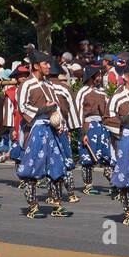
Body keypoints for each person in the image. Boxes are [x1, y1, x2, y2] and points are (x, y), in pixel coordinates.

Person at [17, 53, 72, 219]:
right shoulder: (27, 84)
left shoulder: (49, 84)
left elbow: (56, 108)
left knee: (56, 166)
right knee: (34, 167)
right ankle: (33, 206)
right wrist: (42, 110)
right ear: (35, 66)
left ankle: (57, 204)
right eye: (45, 63)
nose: (49, 66)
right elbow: (22, 107)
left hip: (52, 129)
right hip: (37, 129)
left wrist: (61, 125)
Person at [107, 66, 129, 224]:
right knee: (127, 175)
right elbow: (107, 119)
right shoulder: (118, 96)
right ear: (127, 77)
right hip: (126, 138)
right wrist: (125, 120)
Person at [75, 66, 113, 194]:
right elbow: (78, 112)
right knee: (88, 157)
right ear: (91, 77)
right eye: (97, 75)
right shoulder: (82, 92)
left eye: (101, 75)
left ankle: (113, 182)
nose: (100, 78)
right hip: (88, 126)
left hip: (102, 126)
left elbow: (108, 111)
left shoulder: (102, 92)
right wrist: (82, 132)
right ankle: (88, 185)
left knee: (107, 155)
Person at [48, 61, 81, 203]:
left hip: (47, 129)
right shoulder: (64, 89)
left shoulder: (44, 87)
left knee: (50, 162)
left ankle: (53, 195)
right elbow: (72, 112)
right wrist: (73, 128)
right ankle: (71, 193)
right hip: (63, 127)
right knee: (66, 160)